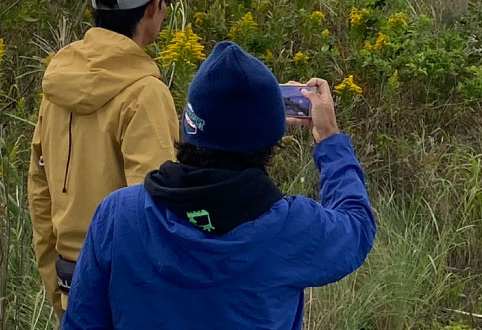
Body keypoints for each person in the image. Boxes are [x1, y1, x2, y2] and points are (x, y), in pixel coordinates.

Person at [64, 42, 376, 330]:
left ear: (189, 125)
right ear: (270, 142)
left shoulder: (118, 215)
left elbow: (82, 322)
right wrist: (330, 137)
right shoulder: (293, 228)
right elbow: (358, 227)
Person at [27, 0, 184, 323]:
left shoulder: (57, 87)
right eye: (165, 2)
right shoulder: (145, 93)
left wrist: (57, 286)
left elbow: (40, 192)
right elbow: (154, 210)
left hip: (72, 287)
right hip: (127, 294)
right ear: (151, 9)